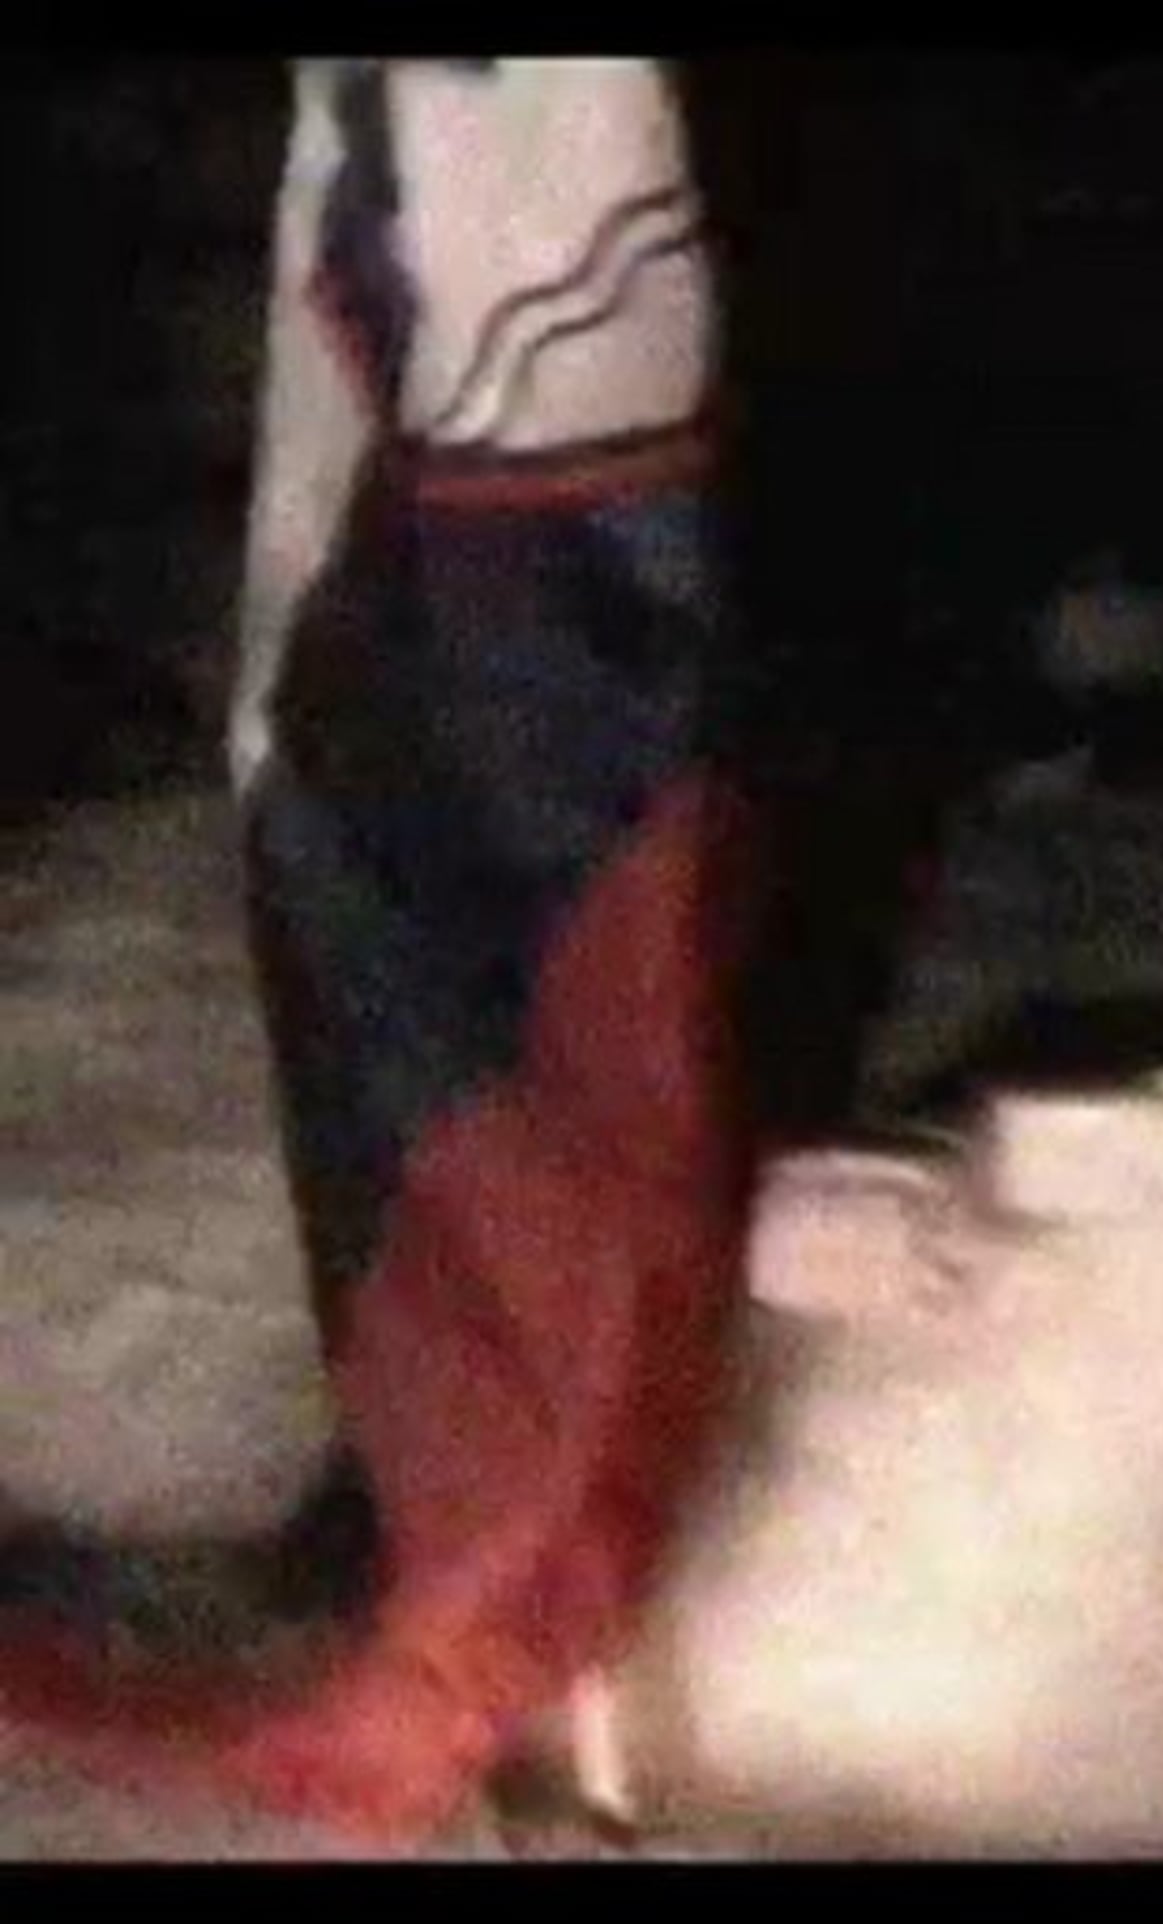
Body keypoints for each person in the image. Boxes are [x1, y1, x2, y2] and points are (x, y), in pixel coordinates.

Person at [0, 57, 759, 1842]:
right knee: (393, 791)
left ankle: (495, 1592)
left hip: (530, 408)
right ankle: (482, 1563)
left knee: (492, 856)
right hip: (486, 343)